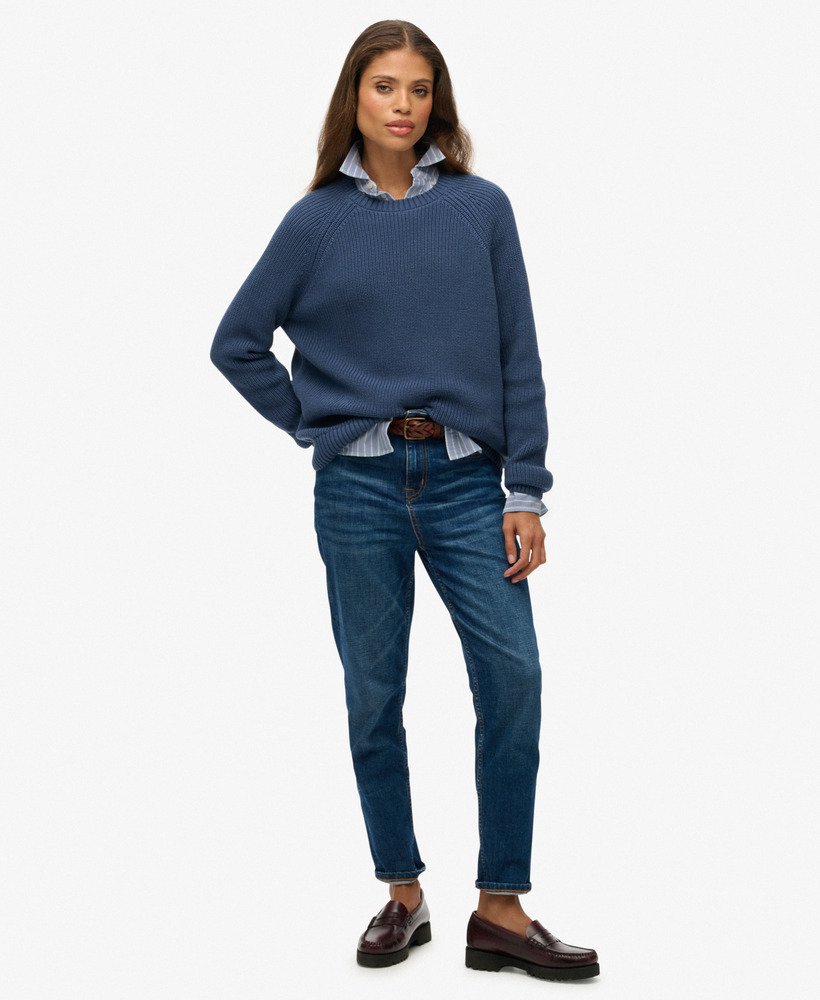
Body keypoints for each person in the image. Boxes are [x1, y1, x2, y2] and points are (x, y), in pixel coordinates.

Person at [209, 19, 600, 982]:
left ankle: (500, 908)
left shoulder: (480, 209)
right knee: (373, 693)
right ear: (355, 97)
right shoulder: (315, 223)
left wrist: (527, 489)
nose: (403, 106)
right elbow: (237, 342)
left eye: (420, 89)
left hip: (468, 481)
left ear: (438, 102)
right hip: (359, 488)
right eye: (385, 87)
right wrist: (316, 423)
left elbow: (518, 354)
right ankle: (402, 892)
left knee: (513, 677)